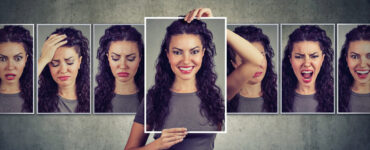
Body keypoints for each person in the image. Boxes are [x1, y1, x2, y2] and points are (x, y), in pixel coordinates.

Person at [125, 8, 224, 150]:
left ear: (203, 53)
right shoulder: (153, 98)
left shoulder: (215, 97)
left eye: (194, 51)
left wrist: (217, 23)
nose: (186, 60)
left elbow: (255, 62)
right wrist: (157, 145)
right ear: (168, 54)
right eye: (177, 52)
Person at [282, 25, 334, 112]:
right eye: (298, 57)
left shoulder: (335, 99)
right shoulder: (279, 98)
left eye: (314, 56)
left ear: (322, 59)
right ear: (290, 60)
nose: (306, 63)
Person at [38, 27, 90, 113]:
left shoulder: (95, 99)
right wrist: (43, 59)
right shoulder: (37, 100)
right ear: (48, 65)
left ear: (79, 62)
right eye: (55, 64)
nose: (63, 70)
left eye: (69, 62)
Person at [227, 25, 277, 113]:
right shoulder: (225, 94)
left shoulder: (281, 99)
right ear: (234, 63)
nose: (258, 66)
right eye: (246, 60)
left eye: (261, 55)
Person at [95, 25, 144, 113]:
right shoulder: (93, 99)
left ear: (139, 59)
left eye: (131, 58)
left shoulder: (151, 99)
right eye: (115, 58)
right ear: (108, 58)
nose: (123, 66)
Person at [0, 25, 33, 113]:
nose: (10, 67)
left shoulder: (36, 97)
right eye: (2, 59)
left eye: (18, 58)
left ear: (26, 59)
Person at [339, 25, 370, 112]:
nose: (362, 64)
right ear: (346, 59)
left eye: (369, 56)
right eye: (355, 56)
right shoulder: (335, 96)